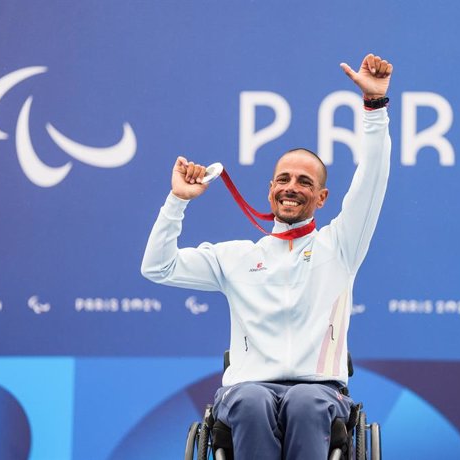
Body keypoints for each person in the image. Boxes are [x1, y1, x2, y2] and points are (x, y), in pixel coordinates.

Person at [141, 53, 392, 459]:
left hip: (320, 392)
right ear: (270, 189)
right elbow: (157, 266)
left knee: (305, 403)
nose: (292, 187)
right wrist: (177, 202)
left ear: (322, 197)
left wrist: (375, 108)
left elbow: (373, 179)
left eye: (304, 182)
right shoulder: (236, 257)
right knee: (251, 400)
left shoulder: (341, 246)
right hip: (247, 390)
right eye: (284, 179)